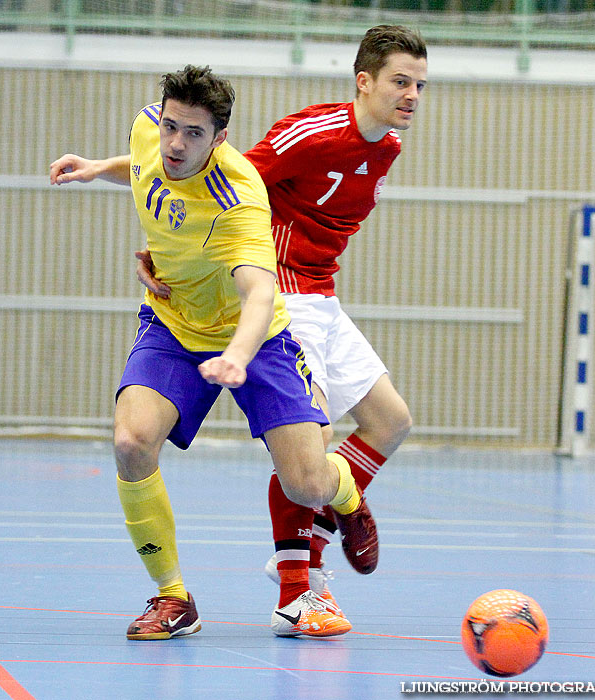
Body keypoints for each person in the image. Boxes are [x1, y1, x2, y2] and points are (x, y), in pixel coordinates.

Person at [49, 64, 379, 640]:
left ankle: (346, 495)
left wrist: (237, 355)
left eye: (193, 134)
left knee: (306, 481)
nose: (176, 143)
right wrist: (99, 167)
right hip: (174, 324)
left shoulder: (240, 197)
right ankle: (173, 597)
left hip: (257, 339)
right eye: (171, 126)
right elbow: (147, 168)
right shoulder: (150, 132)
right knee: (131, 441)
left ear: (219, 138)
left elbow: (259, 294)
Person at [137, 26, 428, 621]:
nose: (413, 95)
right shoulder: (313, 132)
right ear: (364, 81)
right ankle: (298, 584)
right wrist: (172, 253)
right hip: (280, 293)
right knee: (311, 441)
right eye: (401, 82)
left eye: (421, 85)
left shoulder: (388, 145)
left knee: (390, 421)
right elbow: (218, 175)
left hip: (323, 291)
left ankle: (320, 533)